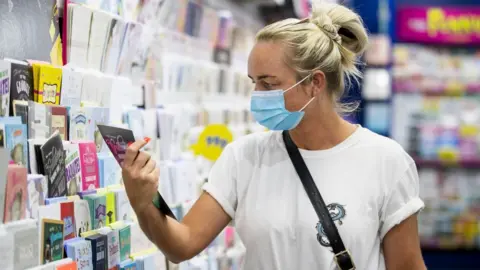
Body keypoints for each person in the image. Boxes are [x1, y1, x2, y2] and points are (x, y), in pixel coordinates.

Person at [121, 2, 426, 269]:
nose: (257, 95)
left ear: (315, 83)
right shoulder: (244, 157)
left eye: (268, 83)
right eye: (254, 82)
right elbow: (182, 244)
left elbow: (407, 266)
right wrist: (144, 201)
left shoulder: (385, 161)